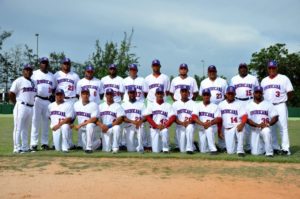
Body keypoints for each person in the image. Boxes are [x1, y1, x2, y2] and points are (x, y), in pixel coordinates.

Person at [261, 60, 294, 155]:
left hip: (280, 105)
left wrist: (285, 100)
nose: (272, 69)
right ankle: (275, 147)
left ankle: (285, 149)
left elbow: (290, 92)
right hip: (269, 107)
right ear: (267, 69)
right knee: (271, 127)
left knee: (283, 128)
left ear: (277, 68)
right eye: (270, 68)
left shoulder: (283, 78)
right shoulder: (264, 80)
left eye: (273, 68)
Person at [230, 63, 259, 153]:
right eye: (241, 68)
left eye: (244, 68)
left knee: (250, 123)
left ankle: (249, 146)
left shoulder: (253, 78)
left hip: (249, 101)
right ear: (238, 69)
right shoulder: (234, 79)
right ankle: (239, 145)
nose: (243, 69)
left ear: (247, 69)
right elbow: (230, 90)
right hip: (238, 101)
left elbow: (258, 90)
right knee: (238, 123)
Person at [9, 64, 36, 153]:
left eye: (30, 70)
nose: (28, 71)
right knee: (18, 128)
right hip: (21, 105)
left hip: (30, 107)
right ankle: (16, 148)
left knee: (26, 128)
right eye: (26, 70)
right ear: (23, 71)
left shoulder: (34, 82)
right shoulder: (19, 81)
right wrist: (15, 103)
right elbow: (11, 93)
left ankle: (25, 147)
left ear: (32, 72)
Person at [199, 65, 228, 151]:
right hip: (209, 106)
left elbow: (226, 95)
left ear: (216, 72)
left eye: (213, 71)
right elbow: (201, 95)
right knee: (209, 126)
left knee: (222, 126)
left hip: (220, 104)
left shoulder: (223, 81)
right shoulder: (203, 82)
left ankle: (222, 146)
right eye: (210, 71)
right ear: (208, 73)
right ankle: (208, 145)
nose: (212, 73)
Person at [30, 57, 56, 151]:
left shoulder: (51, 76)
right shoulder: (34, 74)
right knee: (35, 122)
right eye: (42, 63)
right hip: (37, 99)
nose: (44, 64)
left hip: (48, 100)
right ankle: (33, 143)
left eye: (45, 63)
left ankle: (44, 143)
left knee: (46, 123)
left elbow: (53, 89)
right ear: (39, 64)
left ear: (48, 64)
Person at [54, 58, 80, 149]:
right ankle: (58, 142)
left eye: (68, 64)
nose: (66, 65)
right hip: (61, 100)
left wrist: (76, 99)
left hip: (72, 99)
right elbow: (54, 88)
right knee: (59, 121)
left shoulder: (75, 76)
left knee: (69, 122)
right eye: (64, 63)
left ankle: (69, 143)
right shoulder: (56, 75)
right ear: (61, 64)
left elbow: (78, 90)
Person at [144, 59, 170, 151]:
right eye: (154, 65)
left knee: (163, 125)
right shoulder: (147, 78)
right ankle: (150, 143)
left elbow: (167, 91)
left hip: (163, 103)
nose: (155, 67)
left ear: (160, 66)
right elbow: (145, 92)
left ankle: (165, 146)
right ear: (152, 67)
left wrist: (163, 101)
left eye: (157, 65)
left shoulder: (165, 77)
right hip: (151, 102)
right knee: (151, 125)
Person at [246, 86, 279, 157]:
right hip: (254, 129)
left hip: (265, 127)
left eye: (260, 92)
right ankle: (263, 148)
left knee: (267, 131)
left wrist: (268, 124)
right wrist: (257, 125)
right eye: (256, 92)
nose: (258, 94)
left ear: (262, 93)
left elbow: (275, 117)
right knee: (255, 153)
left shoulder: (268, 104)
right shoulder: (248, 105)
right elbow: (247, 120)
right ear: (253, 93)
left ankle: (269, 153)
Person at [217, 86, 247, 157]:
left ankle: (240, 150)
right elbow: (219, 119)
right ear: (226, 94)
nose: (230, 95)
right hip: (227, 129)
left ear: (235, 94)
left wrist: (242, 124)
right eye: (229, 93)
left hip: (237, 126)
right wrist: (219, 131)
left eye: (232, 94)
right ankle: (236, 145)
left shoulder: (239, 104)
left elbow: (244, 116)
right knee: (230, 152)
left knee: (241, 130)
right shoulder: (221, 104)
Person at [145, 86, 175, 153]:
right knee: (155, 151)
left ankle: (166, 149)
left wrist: (165, 125)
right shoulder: (151, 105)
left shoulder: (168, 105)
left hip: (164, 127)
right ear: (155, 94)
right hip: (154, 129)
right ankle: (160, 148)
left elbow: (173, 117)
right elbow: (148, 117)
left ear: (164, 94)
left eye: (161, 93)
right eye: (158, 93)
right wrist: (156, 125)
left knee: (164, 131)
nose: (160, 95)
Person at [192, 88, 220, 155]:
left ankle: (213, 149)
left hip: (212, 127)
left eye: (208, 95)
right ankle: (198, 145)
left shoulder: (215, 106)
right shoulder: (197, 105)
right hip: (201, 127)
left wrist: (210, 123)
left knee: (209, 129)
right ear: (202, 96)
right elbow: (194, 117)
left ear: (210, 96)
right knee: (203, 150)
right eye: (204, 95)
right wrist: (202, 124)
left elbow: (219, 119)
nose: (206, 96)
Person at [73, 88, 101, 153]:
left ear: (89, 95)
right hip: (82, 130)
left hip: (93, 128)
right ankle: (100, 141)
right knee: (84, 147)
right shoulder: (76, 104)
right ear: (81, 95)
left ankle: (89, 148)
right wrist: (71, 124)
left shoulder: (94, 105)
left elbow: (94, 119)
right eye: (83, 94)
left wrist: (80, 125)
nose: (85, 95)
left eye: (87, 94)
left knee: (89, 125)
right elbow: (73, 116)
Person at [97, 89, 125, 153]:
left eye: (111, 94)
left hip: (112, 127)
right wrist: (102, 126)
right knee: (106, 150)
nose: (109, 96)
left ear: (113, 95)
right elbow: (96, 119)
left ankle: (115, 147)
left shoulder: (118, 106)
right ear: (105, 95)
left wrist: (109, 126)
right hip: (104, 128)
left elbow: (120, 119)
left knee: (117, 127)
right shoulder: (100, 106)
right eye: (108, 94)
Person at [172, 86, 196, 154]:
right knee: (182, 150)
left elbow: (195, 117)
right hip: (180, 126)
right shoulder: (175, 104)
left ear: (189, 93)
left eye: (186, 91)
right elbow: (174, 117)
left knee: (189, 128)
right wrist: (181, 123)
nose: (184, 93)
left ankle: (190, 149)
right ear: (180, 93)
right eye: (183, 91)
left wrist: (188, 122)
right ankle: (194, 145)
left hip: (190, 124)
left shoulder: (193, 103)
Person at [122, 86, 147, 152]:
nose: (132, 94)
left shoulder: (141, 104)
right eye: (130, 93)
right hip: (129, 126)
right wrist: (133, 122)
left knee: (140, 146)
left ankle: (141, 147)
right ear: (128, 94)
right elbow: (123, 118)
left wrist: (140, 121)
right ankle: (135, 144)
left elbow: (145, 117)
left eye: (133, 93)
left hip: (139, 126)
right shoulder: (124, 105)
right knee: (130, 149)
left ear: (136, 93)